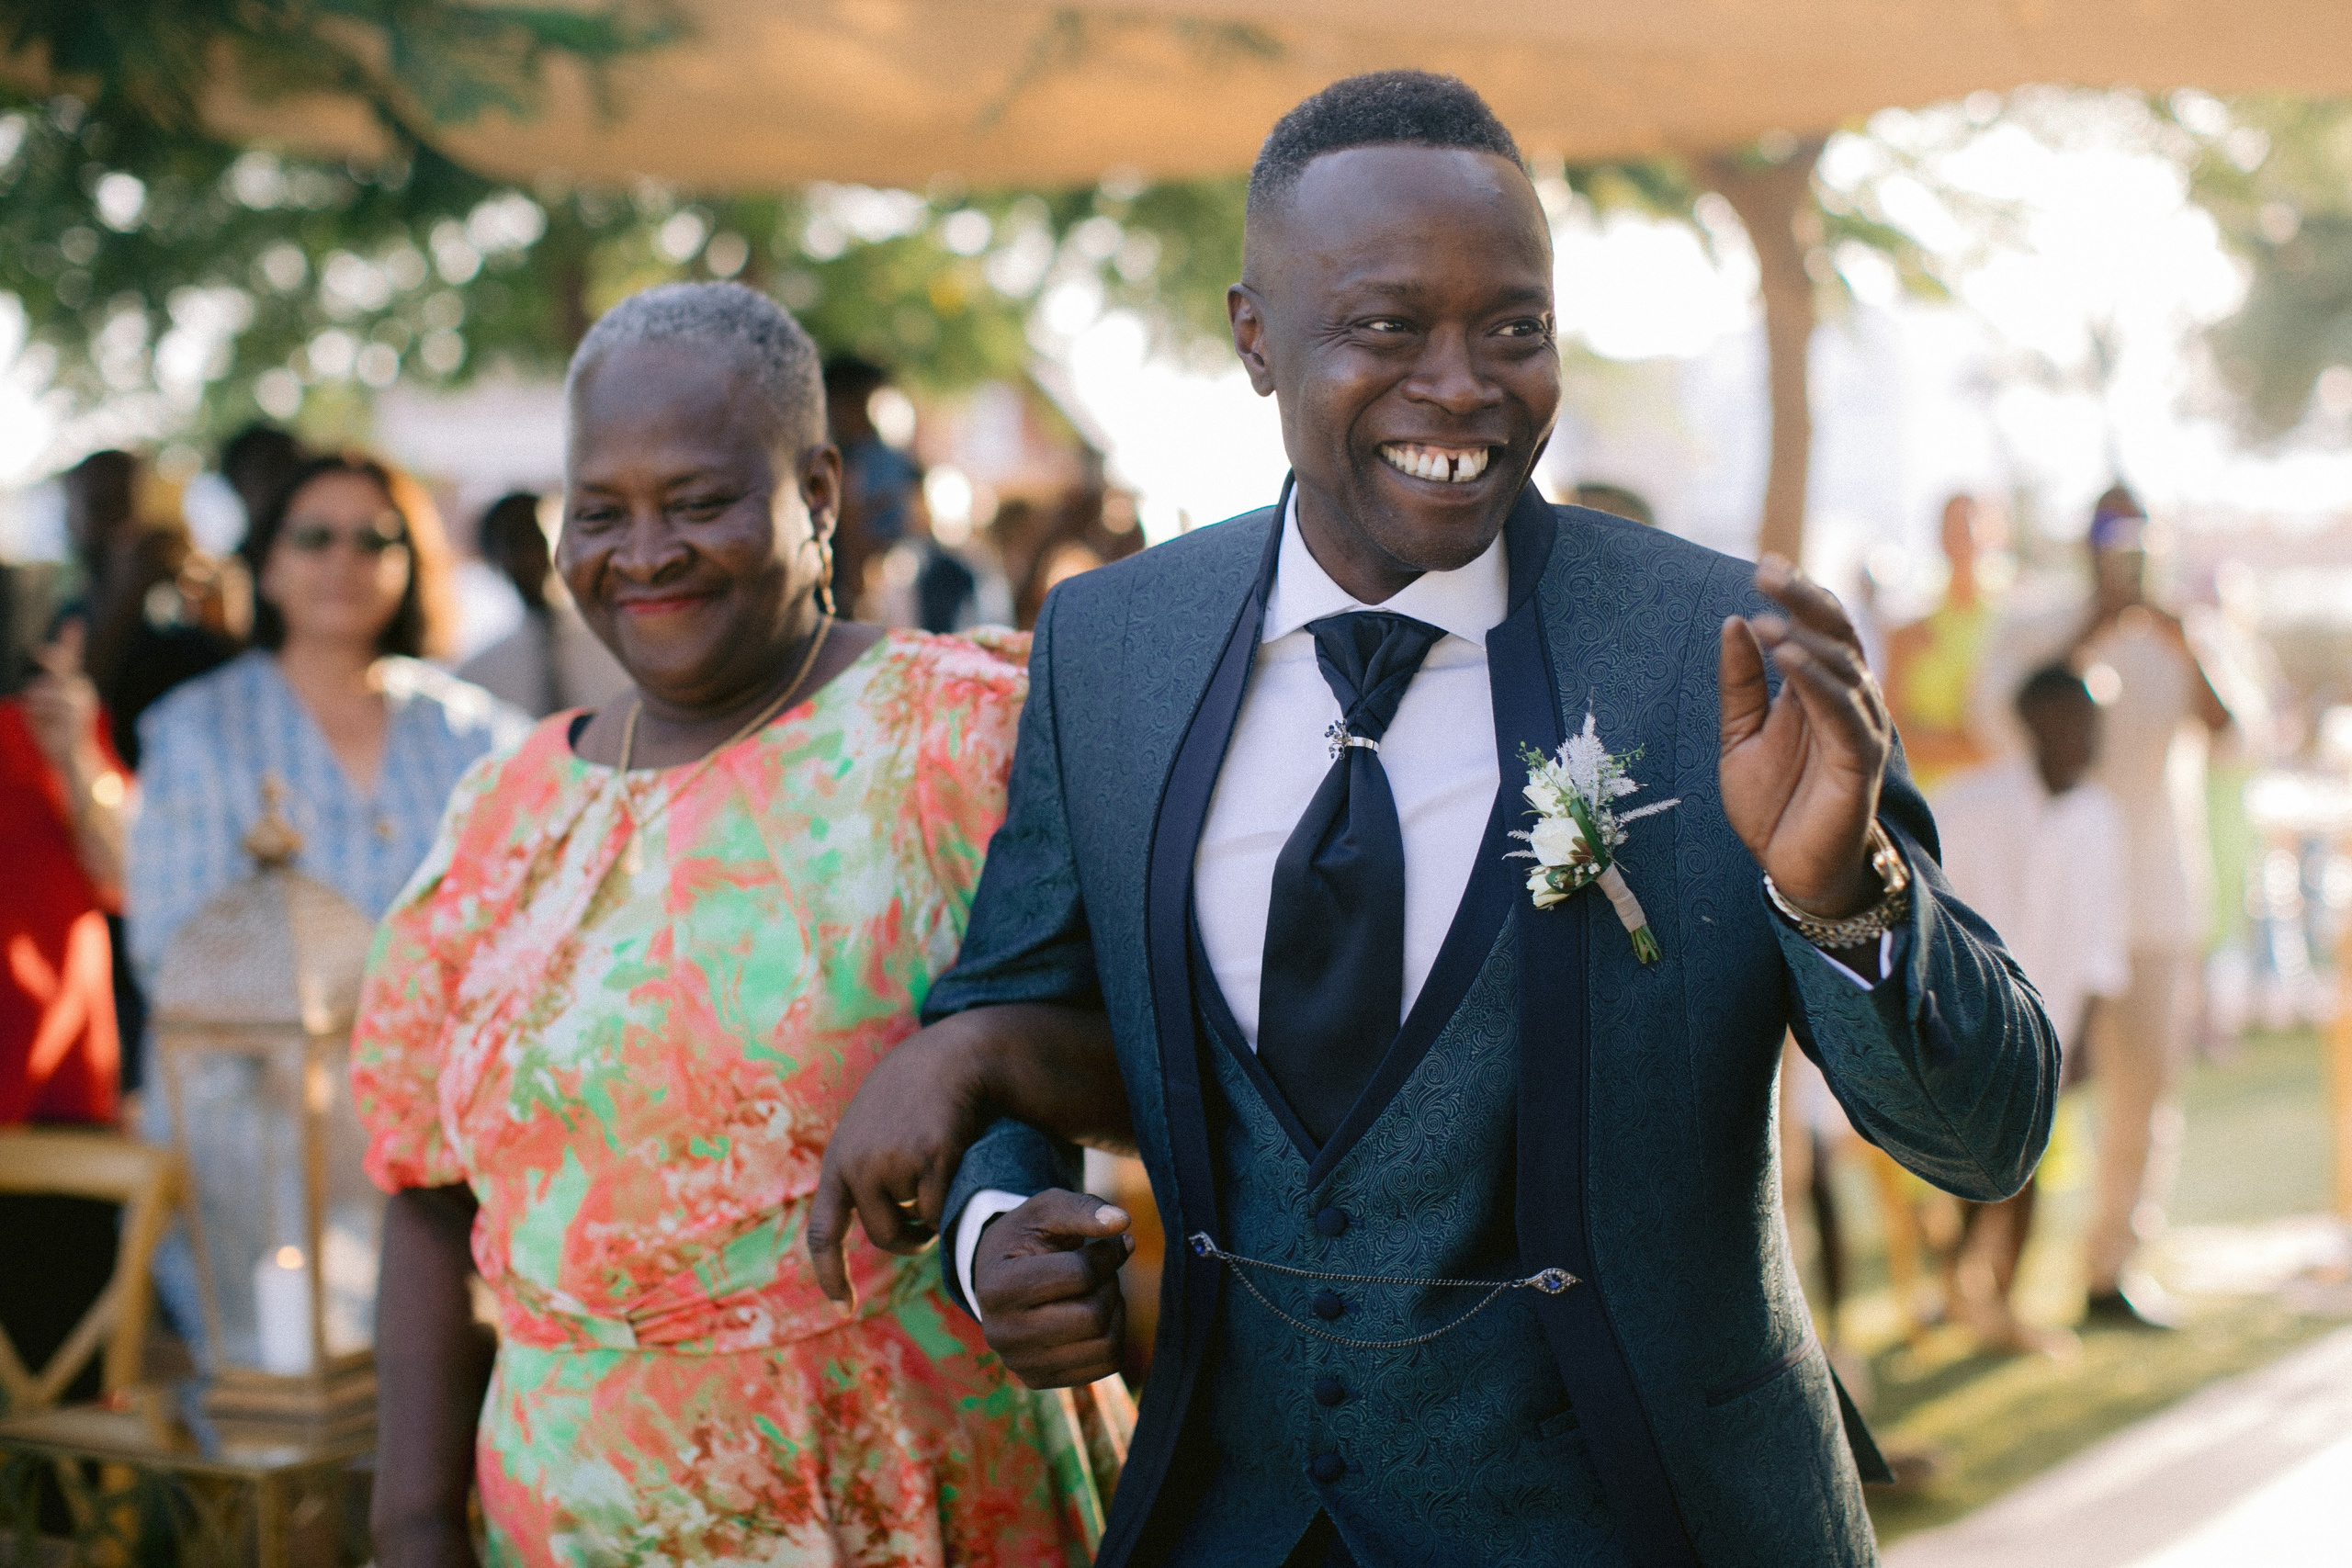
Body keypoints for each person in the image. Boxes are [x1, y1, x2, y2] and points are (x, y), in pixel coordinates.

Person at [812, 73, 2057, 1568]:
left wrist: (1844, 895)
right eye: (1391, 327)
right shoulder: (1113, 649)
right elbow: (1019, 994)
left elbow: (1990, 1139)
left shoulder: (1712, 647)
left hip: (1653, 1519)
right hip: (1239, 1522)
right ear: (1255, 337)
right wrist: (993, 1227)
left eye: (1513, 327)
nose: (1464, 383)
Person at [353, 283, 1128, 1568]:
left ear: (816, 492)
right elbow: (425, 1193)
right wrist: (413, 1524)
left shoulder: (955, 732)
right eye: (599, 511)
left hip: (897, 1489)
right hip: (570, 1519)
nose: (641, 551)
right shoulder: (505, 810)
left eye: (699, 500)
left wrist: (975, 1060)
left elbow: (1173, 1060)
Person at [1933, 666, 2129, 1354]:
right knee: (1963, 1160)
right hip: (1972, 1018)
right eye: (2076, 718)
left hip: (2055, 1022)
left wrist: (2088, 1037)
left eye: (2095, 721)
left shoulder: (2100, 816)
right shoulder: (1968, 803)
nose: (2090, 735)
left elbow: (2104, 938)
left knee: (2032, 1161)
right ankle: (1958, 1282)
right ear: (2035, 720)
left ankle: (2004, 1301)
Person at [456, 491, 630, 716]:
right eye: (517, 543)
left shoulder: (623, 644)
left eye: (540, 537)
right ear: (492, 559)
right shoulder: (478, 677)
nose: (534, 555)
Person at [1884, 493, 1996, 792]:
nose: (1962, 534)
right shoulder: (1908, 634)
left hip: (1984, 807)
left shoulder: (2007, 627)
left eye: (1969, 522)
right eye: (1952, 525)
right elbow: (1889, 735)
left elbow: (2007, 741)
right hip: (1927, 805)